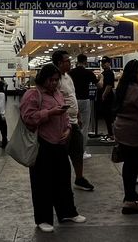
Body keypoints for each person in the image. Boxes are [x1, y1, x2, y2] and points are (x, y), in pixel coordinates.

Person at [20, 64, 86, 233]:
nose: (55, 83)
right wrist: (49, 113)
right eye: (52, 80)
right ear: (44, 78)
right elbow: (28, 118)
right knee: (42, 183)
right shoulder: (32, 95)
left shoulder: (57, 93)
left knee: (63, 179)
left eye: (57, 80)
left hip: (60, 143)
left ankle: (67, 212)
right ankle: (43, 218)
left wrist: (68, 129)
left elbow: (64, 114)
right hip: (42, 144)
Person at [52, 50, 94, 192]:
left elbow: (72, 96)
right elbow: (53, 100)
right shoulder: (55, 79)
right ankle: (60, 182)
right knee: (61, 156)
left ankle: (79, 178)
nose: (70, 63)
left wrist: (78, 116)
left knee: (77, 150)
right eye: (67, 61)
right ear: (59, 63)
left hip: (74, 121)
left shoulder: (68, 77)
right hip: (62, 124)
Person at [112, 59, 138, 214]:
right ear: (135, 73)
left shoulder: (124, 87)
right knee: (132, 165)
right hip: (133, 132)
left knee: (129, 165)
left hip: (122, 130)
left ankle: (131, 193)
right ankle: (129, 201)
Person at [69, 53, 98, 158]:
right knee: (84, 127)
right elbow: (99, 85)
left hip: (73, 101)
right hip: (85, 100)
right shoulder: (89, 73)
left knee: (72, 125)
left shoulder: (70, 73)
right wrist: (102, 77)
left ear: (77, 61)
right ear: (85, 62)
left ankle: (71, 150)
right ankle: (82, 152)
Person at [100, 56, 116, 141]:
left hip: (108, 97)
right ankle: (110, 133)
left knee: (109, 117)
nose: (103, 64)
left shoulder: (109, 73)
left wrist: (103, 95)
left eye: (105, 62)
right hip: (106, 97)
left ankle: (112, 134)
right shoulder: (104, 73)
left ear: (109, 63)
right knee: (107, 117)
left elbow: (109, 86)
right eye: (102, 62)